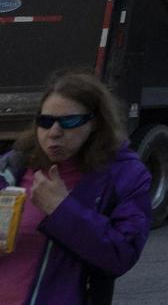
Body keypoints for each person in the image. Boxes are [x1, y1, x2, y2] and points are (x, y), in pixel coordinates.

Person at [0, 71, 151, 305]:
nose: (54, 132)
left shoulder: (125, 175)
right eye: (46, 121)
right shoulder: (13, 167)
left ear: (95, 123)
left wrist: (61, 208)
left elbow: (120, 256)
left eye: (69, 122)